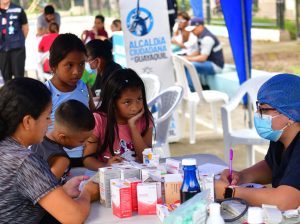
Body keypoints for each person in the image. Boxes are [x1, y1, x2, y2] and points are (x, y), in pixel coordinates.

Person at [0, 77, 98, 223]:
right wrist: (87, 193)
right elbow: (73, 217)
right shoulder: (24, 161)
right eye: (47, 117)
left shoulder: (5, 148)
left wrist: (62, 191)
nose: (50, 122)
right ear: (28, 122)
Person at [215, 74, 300, 211]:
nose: (258, 114)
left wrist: (230, 192)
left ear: (291, 114)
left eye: (264, 109)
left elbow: (285, 201)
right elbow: (271, 166)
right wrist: (242, 176)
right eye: (258, 108)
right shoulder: (282, 135)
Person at [83, 68, 154, 171]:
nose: (135, 107)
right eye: (127, 102)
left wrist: (133, 127)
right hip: (108, 177)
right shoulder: (99, 120)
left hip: (137, 176)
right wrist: (107, 167)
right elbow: (87, 159)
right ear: (113, 102)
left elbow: (146, 159)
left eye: (139, 99)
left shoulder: (145, 118)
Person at [46, 33, 95, 166]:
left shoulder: (84, 87)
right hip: (55, 161)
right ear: (53, 66)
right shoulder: (45, 93)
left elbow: (93, 116)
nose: (77, 71)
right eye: (69, 65)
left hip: (86, 158)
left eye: (81, 64)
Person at [31, 100, 95, 183]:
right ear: (62, 137)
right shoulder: (61, 160)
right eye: (82, 141)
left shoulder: (37, 140)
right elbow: (46, 188)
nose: (86, 143)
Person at [185, 17, 224, 90]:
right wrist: (186, 57)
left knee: (190, 65)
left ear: (200, 26)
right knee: (186, 63)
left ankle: (192, 90)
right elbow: (198, 52)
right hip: (208, 63)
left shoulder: (207, 38)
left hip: (215, 66)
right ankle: (189, 87)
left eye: (193, 29)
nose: (192, 32)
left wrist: (187, 58)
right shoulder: (201, 35)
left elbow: (203, 58)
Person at [0, 0, 28, 83]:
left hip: (17, 49)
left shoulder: (18, 10)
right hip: (2, 50)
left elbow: (25, 28)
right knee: (6, 78)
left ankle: (20, 95)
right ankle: (8, 96)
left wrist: (19, 41)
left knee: (19, 78)